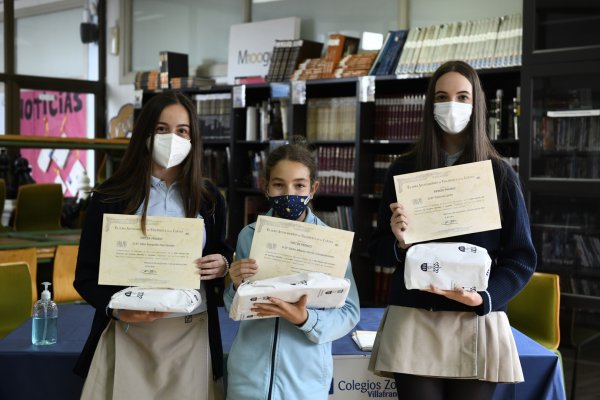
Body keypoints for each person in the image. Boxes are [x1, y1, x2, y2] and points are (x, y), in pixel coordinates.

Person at [368, 60, 536, 400]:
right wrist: (399, 244)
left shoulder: (500, 175)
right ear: (430, 104)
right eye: (442, 97)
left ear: (477, 105)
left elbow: (521, 258)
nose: (452, 106)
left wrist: (484, 298)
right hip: (413, 319)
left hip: (475, 320)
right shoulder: (403, 170)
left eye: (462, 97)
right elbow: (377, 250)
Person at [73, 91, 233, 400]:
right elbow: (86, 276)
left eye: (182, 131)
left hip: (192, 330)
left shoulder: (210, 198)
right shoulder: (109, 196)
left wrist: (222, 264)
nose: (172, 138)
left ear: (193, 138)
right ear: (145, 132)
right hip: (129, 332)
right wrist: (117, 310)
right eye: (162, 129)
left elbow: (220, 249)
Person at [223, 140, 360, 400]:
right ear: (265, 186)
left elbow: (349, 313)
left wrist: (305, 319)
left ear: (313, 188)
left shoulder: (331, 243)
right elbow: (233, 308)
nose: (289, 193)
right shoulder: (249, 236)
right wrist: (236, 285)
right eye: (279, 184)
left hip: (305, 382)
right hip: (248, 379)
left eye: (299, 185)